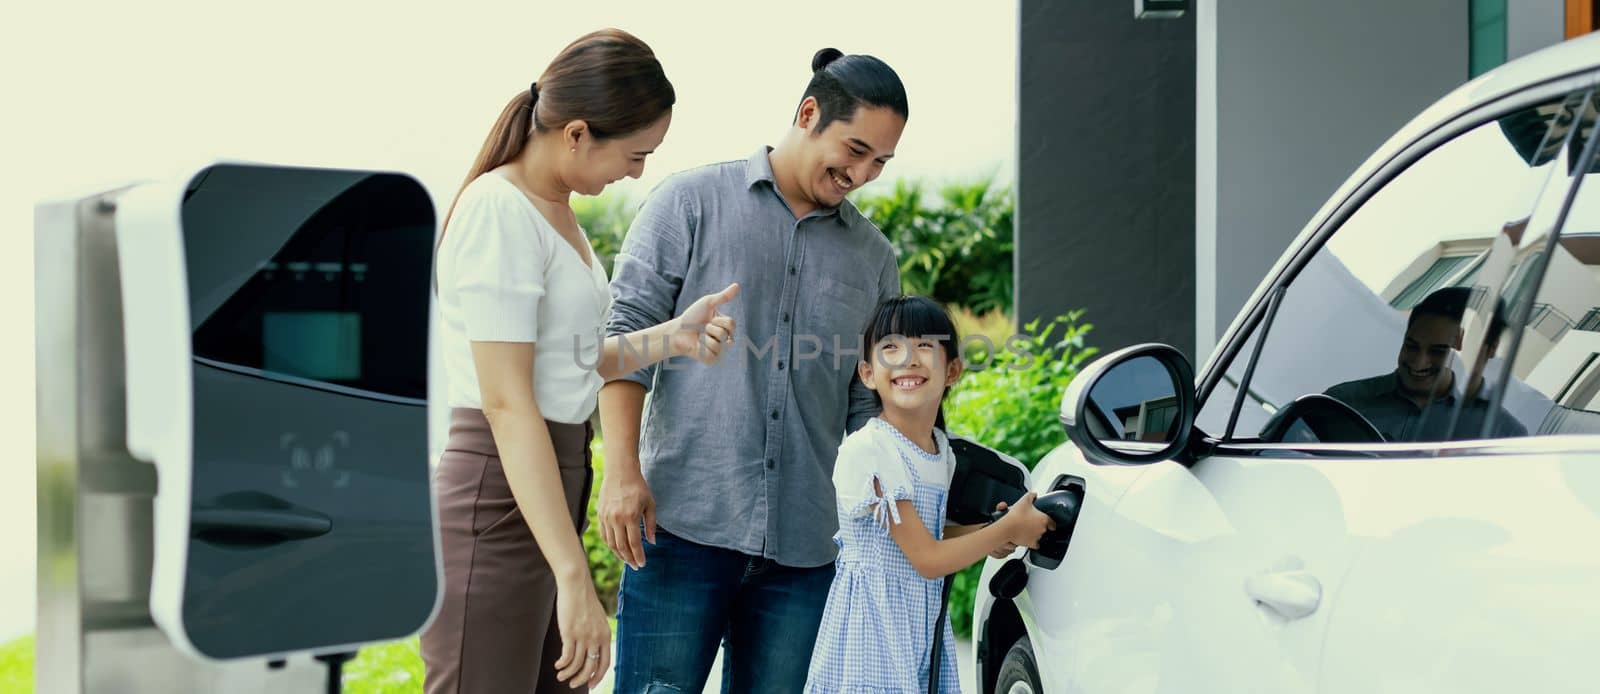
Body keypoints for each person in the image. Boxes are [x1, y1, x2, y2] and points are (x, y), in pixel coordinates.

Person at [421, 29, 741, 694]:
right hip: (499, 490)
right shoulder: (498, 211)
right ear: (575, 133)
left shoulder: (556, 213)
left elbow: (566, 363)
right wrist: (575, 578)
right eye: (634, 154)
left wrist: (673, 337)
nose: (636, 172)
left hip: (551, 481)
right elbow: (509, 404)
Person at [599, 47, 909, 691]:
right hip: (681, 527)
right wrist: (622, 473)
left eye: (880, 161)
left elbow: (865, 408)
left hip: (805, 549)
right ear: (808, 113)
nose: (864, 173)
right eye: (855, 150)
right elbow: (624, 341)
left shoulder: (874, 259)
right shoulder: (689, 202)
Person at [804, 296, 1053, 693]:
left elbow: (927, 535)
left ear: (952, 369)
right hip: (873, 636)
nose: (909, 359)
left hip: (918, 632)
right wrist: (1007, 526)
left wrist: (990, 535)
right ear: (868, 373)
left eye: (924, 345)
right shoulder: (872, 450)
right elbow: (927, 558)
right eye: (891, 347)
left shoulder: (941, 451)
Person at [1325, 286, 1527, 442]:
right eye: (1411, 346)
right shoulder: (1341, 402)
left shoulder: (1503, 434)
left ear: (1458, 348)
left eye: (1437, 351)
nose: (1419, 361)